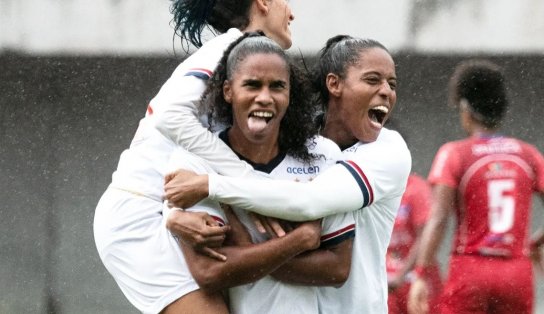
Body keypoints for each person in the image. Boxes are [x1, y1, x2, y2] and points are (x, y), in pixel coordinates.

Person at [164, 35, 412, 313]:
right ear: (334, 84)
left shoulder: (385, 150)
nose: (386, 92)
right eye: (372, 80)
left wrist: (242, 245)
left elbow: (309, 203)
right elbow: (210, 271)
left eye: (392, 84)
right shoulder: (303, 142)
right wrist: (171, 216)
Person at [93, 0, 298, 313]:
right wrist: (246, 181)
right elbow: (170, 117)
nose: (292, 13)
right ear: (264, 3)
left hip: (167, 208)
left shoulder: (249, 59)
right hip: (139, 214)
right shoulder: (230, 45)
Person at [407, 59, 544, 314]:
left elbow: (438, 219)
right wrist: (537, 241)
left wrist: (421, 273)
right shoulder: (529, 155)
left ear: (465, 109)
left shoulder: (455, 154)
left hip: (471, 268)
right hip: (517, 270)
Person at [386, 173, 442, 314]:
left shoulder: (416, 188)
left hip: (416, 278)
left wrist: (401, 275)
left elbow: (425, 236)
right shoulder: (374, 189)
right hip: (386, 282)